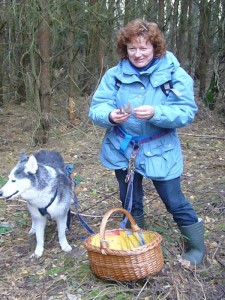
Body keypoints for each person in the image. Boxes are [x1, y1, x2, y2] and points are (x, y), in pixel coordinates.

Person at [89, 19, 205, 268]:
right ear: (125, 48)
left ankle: (195, 247)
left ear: (155, 47)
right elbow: (97, 108)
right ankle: (138, 242)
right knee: (130, 199)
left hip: (161, 150)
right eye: (132, 48)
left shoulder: (174, 74)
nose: (138, 54)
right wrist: (110, 115)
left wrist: (157, 112)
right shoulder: (115, 75)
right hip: (123, 149)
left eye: (144, 48)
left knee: (174, 200)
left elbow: (186, 112)